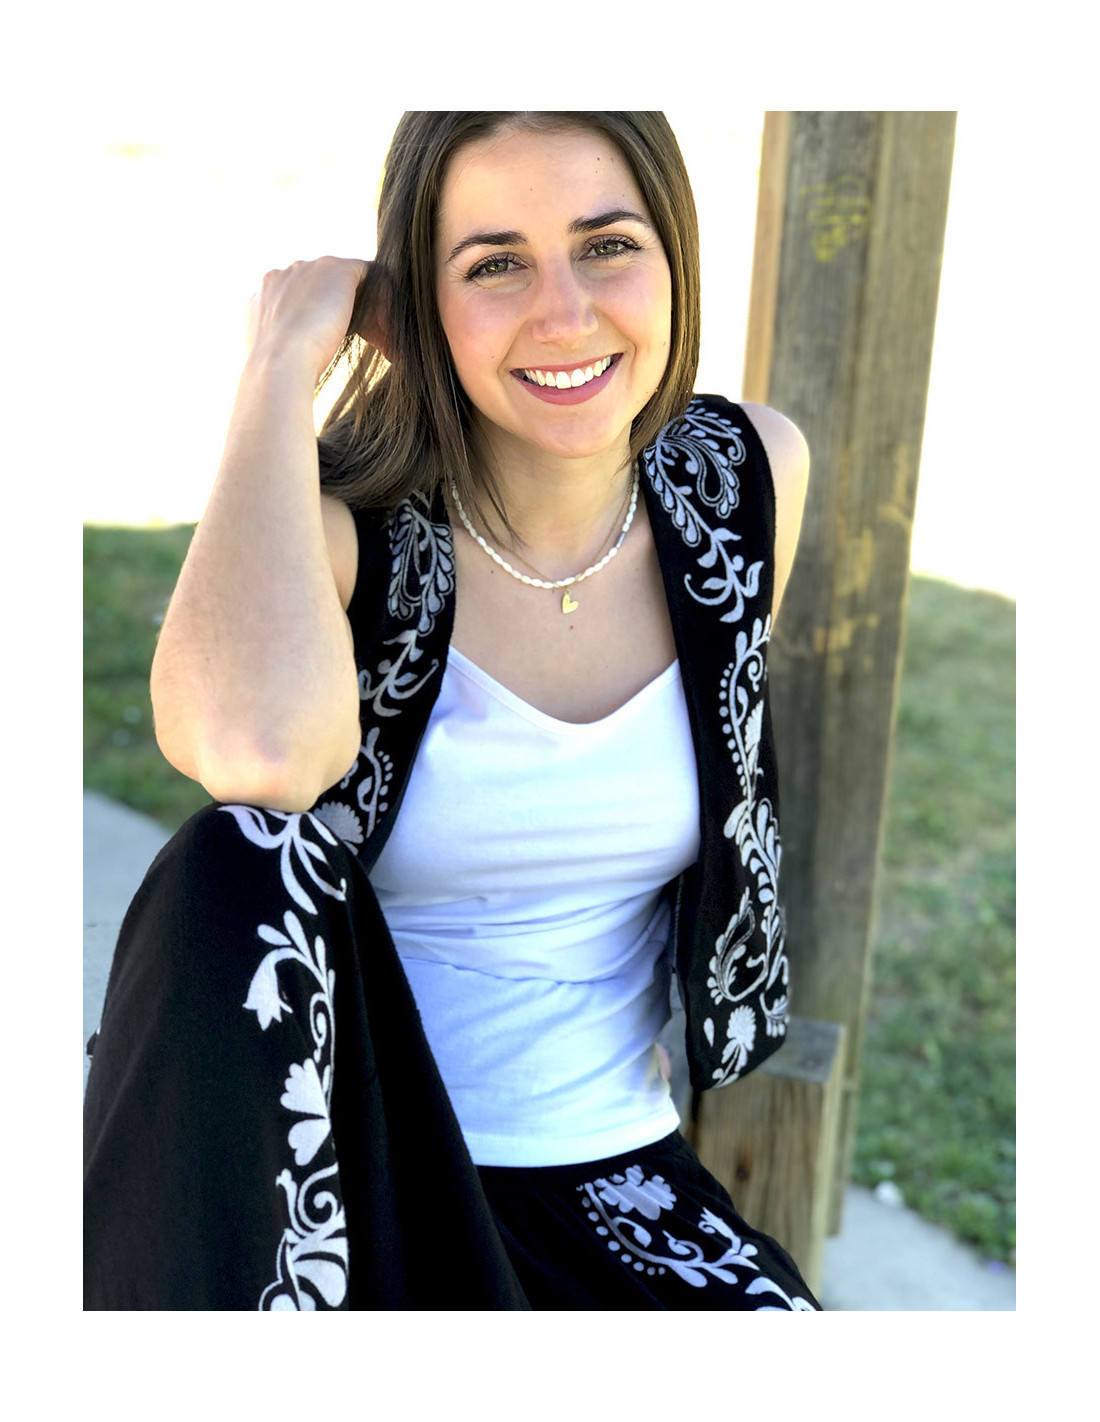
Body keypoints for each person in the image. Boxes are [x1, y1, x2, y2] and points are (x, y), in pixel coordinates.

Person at [84, 111, 816, 1310]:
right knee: (236, 853)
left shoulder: (742, 483)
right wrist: (278, 368)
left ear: (674, 256)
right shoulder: (341, 537)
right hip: (343, 1169)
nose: (563, 315)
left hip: (611, 1173)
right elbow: (254, 754)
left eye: (606, 245)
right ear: (418, 303)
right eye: (493, 264)